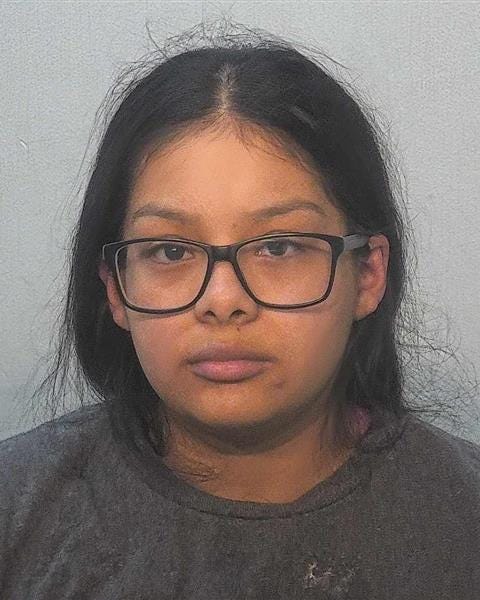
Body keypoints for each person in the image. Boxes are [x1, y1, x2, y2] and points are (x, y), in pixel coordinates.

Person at [1, 21, 479, 600]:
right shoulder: (19, 512)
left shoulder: (460, 520)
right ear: (115, 288)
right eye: (170, 251)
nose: (223, 301)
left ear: (369, 275)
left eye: (279, 247)